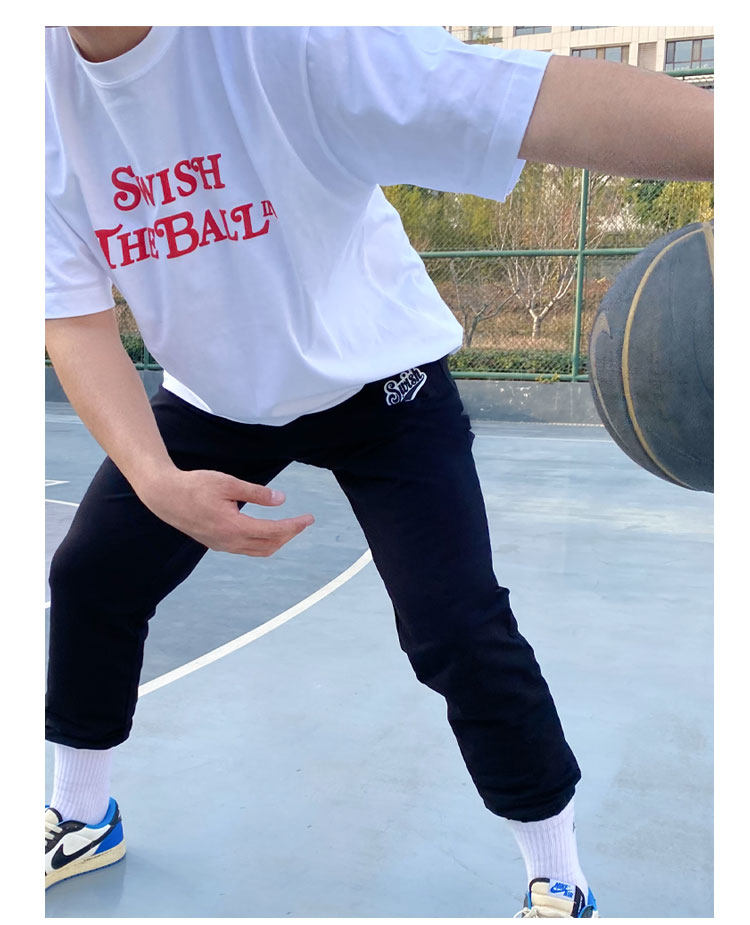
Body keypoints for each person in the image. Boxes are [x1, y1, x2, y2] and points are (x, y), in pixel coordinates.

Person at [44, 26, 712, 917]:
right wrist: (157, 479)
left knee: (455, 625)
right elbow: (71, 318)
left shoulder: (285, 40)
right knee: (91, 575)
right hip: (220, 398)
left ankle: (560, 873)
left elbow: (529, 100)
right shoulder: (34, 95)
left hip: (380, 380)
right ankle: (83, 813)